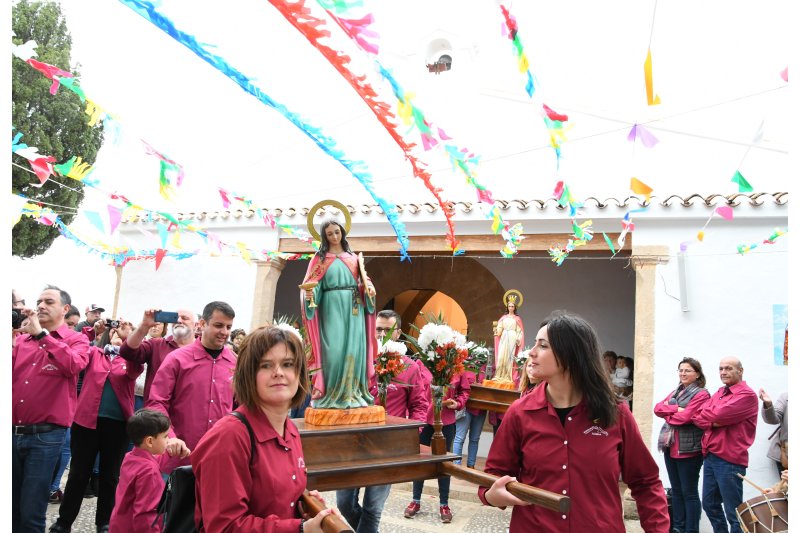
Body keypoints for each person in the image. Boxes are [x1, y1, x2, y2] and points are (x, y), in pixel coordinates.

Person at [479, 311, 669, 532]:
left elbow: (645, 482)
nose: (531, 353)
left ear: (570, 354)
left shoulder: (616, 414)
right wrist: (491, 495)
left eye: (542, 345)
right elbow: (492, 476)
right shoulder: (520, 413)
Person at [191, 325, 336, 532]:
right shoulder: (230, 436)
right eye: (265, 366)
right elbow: (224, 527)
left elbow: (274, 499)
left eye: (288, 364)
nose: (278, 373)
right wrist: (301, 528)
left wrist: (305, 507)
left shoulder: (290, 430)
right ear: (248, 375)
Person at [336, 310, 429, 533]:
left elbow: (420, 406)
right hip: (355, 441)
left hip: (387, 446)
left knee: (372, 507)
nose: (382, 334)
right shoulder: (361, 360)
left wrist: (407, 436)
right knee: (343, 502)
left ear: (398, 333)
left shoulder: (409, 367)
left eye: (388, 330)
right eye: (378, 329)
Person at [49, 321, 144, 533]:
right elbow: (79, 350)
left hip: (118, 426)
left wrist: (131, 339)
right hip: (86, 423)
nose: (118, 335)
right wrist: (94, 330)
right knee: (78, 474)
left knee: (110, 476)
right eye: (115, 332)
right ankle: (64, 522)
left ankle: (104, 522)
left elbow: (135, 370)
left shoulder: (129, 359)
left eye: (122, 334)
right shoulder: (94, 354)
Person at [13, 285, 91, 533]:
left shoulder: (77, 339)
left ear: (65, 309)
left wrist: (41, 336)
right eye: (38, 301)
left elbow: (74, 365)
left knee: (31, 511)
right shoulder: (22, 340)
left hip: (45, 436)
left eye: (49, 301)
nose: (41, 306)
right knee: (10, 510)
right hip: (12, 432)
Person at [145, 301, 236, 474]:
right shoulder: (177, 359)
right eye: (218, 325)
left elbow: (240, 406)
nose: (224, 332)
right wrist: (169, 438)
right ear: (202, 324)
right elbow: (157, 402)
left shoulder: (235, 363)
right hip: (178, 456)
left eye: (228, 327)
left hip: (218, 457)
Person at [300, 219, 377, 408]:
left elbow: (365, 283)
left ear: (342, 231)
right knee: (333, 352)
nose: (334, 236)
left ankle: (353, 394)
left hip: (354, 308)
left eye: (337, 232)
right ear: (324, 237)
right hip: (330, 308)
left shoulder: (354, 259)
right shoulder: (319, 259)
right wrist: (310, 294)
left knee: (354, 351)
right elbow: (313, 285)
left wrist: (370, 291)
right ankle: (331, 395)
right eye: (329, 234)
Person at [692, 357, 758, 533]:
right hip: (711, 455)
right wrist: (713, 419)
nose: (723, 372)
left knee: (735, 511)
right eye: (721, 369)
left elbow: (716, 416)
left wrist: (713, 417)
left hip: (729, 458)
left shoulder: (747, 395)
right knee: (709, 504)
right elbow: (698, 415)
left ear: (740, 371)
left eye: (728, 368)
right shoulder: (721, 391)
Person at [404, 370, 470, 524]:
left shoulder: (457, 367)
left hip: (446, 422)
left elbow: (465, 391)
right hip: (424, 421)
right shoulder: (421, 365)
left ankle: (444, 504)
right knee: (420, 462)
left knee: (444, 464)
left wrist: (458, 402)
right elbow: (413, 391)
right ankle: (415, 500)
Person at [653, 357, 711, 533]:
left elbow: (686, 418)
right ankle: (678, 527)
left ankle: (691, 529)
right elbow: (657, 408)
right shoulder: (676, 392)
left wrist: (671, 411)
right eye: (681, 370)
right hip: (671, 447)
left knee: (689, 492)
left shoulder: (702, 394)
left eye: (687, 370)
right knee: (676, 491)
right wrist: (676, 409)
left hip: (689, 450)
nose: (683, 373)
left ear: (697, 374)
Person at [108, 409, 171, 533]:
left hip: (119, 524)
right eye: (165, 436)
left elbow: (153, 460)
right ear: (149, 441)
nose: (168, 440)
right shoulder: (149, 471)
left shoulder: (131, 457)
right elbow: (146, 514)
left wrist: (169, 453)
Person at [119, 308, 197, 403]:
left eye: (185, 318)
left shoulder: (203, 351)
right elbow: (127, 352)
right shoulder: (156, 345)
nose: (179, 321)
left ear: (196, 325)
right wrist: (144, 326)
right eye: (176, 318)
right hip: (155, 412)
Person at [453, 364, 488, 468]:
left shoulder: (486, 369)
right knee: (460, 438)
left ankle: (471, 466)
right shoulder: (463, 367)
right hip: (466, 408)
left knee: (475, 439)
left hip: (481, 409)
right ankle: (456, 466)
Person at [492, 291, 524, 383]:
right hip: (504, 337)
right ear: (507, 307)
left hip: (512, 337)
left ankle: (507, 377)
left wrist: (518, 338)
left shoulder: (517, 319)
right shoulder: (503, 317)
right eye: (509, 306)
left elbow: (519, 331)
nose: (511, 308)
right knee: (501, 356)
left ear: (515, 307)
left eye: (512, 306)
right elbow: (499, 329)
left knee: (509, 357)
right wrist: (496, 329)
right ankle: (499, 375)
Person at [758, 389, 788, 476]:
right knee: (786, 488)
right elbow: (772, 419)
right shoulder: (786, 397)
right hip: (786, 455)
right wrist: (768, 405)